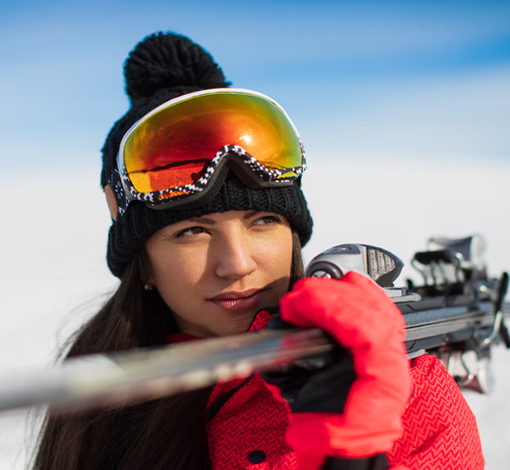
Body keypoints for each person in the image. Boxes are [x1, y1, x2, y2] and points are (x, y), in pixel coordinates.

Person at [33, 32, 484, 470]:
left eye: (263, 222)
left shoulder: (405, 388)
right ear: (143, 263)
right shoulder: (95, 395)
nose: (237, 264)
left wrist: (353, 453)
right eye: (191, 231)